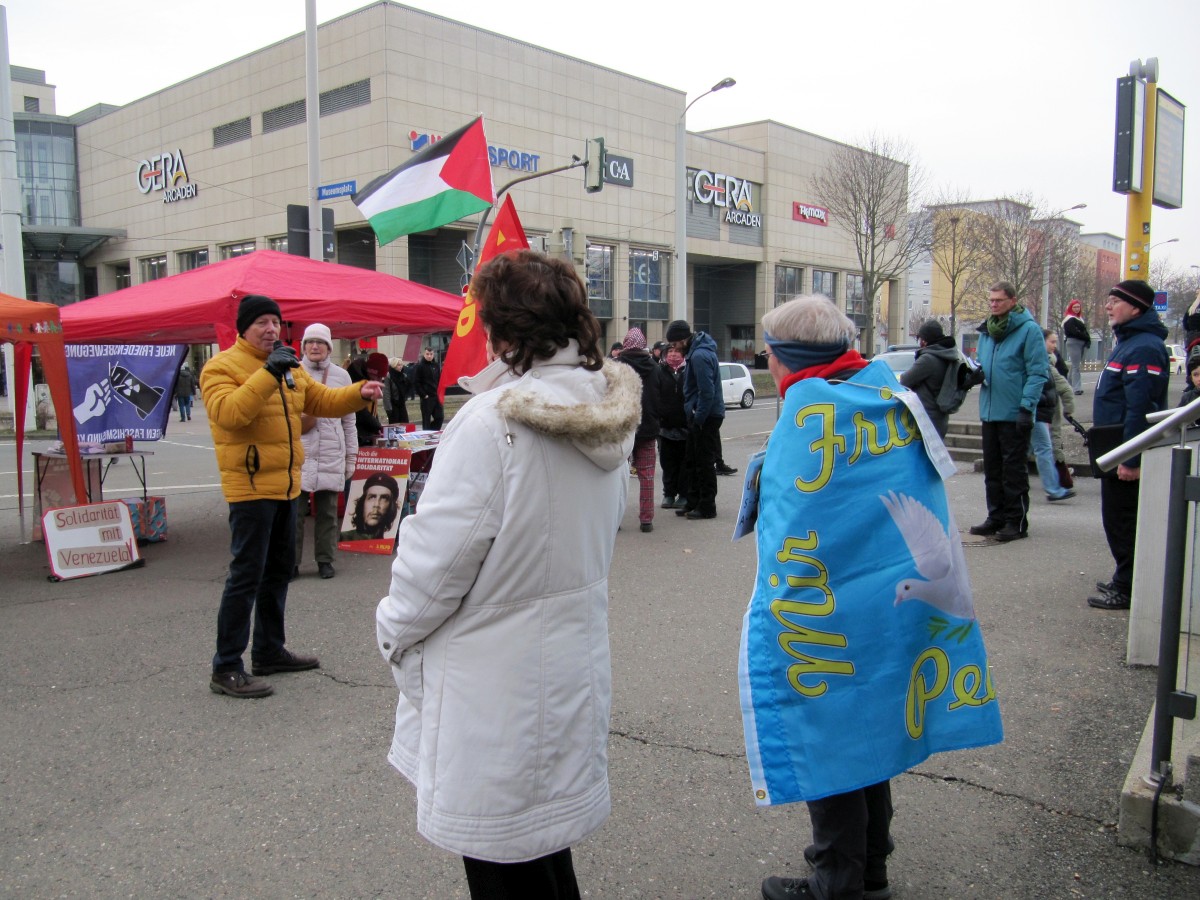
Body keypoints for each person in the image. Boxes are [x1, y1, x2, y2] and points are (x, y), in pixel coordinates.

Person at [375, 250, 640, 897]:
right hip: (568, 665)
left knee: (504, 864)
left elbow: (433, 567)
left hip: (493, 688)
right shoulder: (605, 415)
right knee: (543, 855)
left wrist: (391, 634)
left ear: (502, 332)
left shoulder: (493, 423)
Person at [747, 295, 1001, 900]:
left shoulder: (810, 415)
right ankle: (872, 867)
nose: (768, 363)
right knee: (871, 723)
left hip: (826, 612)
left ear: (788, 357)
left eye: (769, 353)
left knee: (830, 727)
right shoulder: (888, 395)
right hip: (888, 606)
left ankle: (837, 879)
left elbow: (794, 524)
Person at [201, 294, 382, 699]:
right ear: (244, 328)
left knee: (278, 571)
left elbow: (322, 400)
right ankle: (226, 666)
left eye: (275, 322)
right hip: (250, 488)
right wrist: (268, 373)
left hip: (287, 484)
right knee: (245, 576)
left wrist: (359, 392)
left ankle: (268, 651)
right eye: (262, 322)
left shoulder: (289, 368)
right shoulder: (221, 367)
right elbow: (230, 414)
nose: (271, 329)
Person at [1087, 280, 1170, 611]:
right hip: (1114, 444)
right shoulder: (1129, 342)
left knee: (1124, 520)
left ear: (1136, 308)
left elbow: (1141, 407)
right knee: (1116, 517)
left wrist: (1131, 458)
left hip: (1125, 448)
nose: (1108, 306)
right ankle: (1124, 576)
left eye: (1115, 301)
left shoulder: (1144, 347)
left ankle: (1128, 586)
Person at [968, 281, 1048, 543]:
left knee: (1013, 471)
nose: (993, 304)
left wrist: (1026, 407)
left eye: (998, 300)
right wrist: (973, 375)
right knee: (993, 470)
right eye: (991, 300)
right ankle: (996, 516)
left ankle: (1016, 521)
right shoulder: (987, 331)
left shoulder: (1029, 330)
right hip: (990, 411)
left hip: (1014, 412)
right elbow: (983, 365)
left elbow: (1038, 373)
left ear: (1013, 301)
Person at [294, 323, 356, 580]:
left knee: (328, 513)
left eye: (320, 342)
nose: (315, 346)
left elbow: (349, 421)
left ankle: (325, 560)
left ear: (329, 347)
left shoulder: (342, 376)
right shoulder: (292, 373)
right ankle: (291, 562)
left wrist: (351, 457)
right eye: (310, 342)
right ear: (303, 347)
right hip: (299, 453)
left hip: (332, 452)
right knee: (294, 514)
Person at [666, 318, 724, 520]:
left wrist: (698, 418)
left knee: (703, 463)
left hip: (706, 417)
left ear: (683, 339)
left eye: (674, 343)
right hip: (702, 414)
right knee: (691, 460)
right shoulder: (697, 351)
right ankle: (693, 501)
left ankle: (707, 506)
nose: (674, 348)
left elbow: (706, 391)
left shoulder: (699, 356)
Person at [615, 326, 661, 533]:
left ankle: (615, 519)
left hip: (622, 429)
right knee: (647, 476)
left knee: (618, 477)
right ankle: (646, 519)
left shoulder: (617, 367)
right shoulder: (655, 368)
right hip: (648, 428)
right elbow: (661, 398)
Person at [1031, 328, 1074, 502]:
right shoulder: (1043, 362)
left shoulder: (1045, 361)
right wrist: (1068, 409)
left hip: (1038, 411)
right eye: (1052, 341)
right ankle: (1053, 489)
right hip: (1037, 411)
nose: (1054, 345)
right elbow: (1065, 389)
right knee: (1044, 448)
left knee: (1038, 448)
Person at [899, 319, 959, 438]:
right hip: (939, 416)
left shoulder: (928, 359)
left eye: (920, 338)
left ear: (925, 340)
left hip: (927, 416)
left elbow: (905, 380)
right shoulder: (946, 354)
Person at [657, 345, 689, 510]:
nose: (673, 355)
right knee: (667, 463)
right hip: (665, 427)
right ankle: (668, 493)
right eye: (670, 351)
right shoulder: (660, 371)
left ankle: (684, 494)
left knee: (684, 463)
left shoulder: (688, 370)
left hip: (685, 425)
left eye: (677, 351)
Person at [339, 472, 400, 540]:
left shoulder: (389, 542)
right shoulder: (344, 538)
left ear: (391, 507)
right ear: (362, 503)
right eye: (372, 497)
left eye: (384, 498)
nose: (376, 505)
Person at [1061, 299, 1090, 395]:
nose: (1077, 309)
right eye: (1074, 307)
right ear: (1071, 308)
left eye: (1078, 307)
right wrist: (1085, 337)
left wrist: (1086, 339)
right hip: (1073, 342)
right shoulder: (1069, 319)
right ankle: (1077, 388)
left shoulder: (1079, 318)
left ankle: (1067, 385)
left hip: (1081, 342)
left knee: (1075, 365)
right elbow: (1073, 332)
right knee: (1076, 366)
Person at [413, 346, 444, 430]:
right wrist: (423, 395)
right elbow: (416, 382)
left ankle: (432, 431)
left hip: (436, 396)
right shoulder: (420, 366)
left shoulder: (436, 366)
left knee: (440, 417)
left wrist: (440, 392)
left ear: (433, 354)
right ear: (424, 354)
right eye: (427, 354)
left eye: (431, 354)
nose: (429, 356)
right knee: (426, 420)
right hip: (427, 397)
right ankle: (427, 433)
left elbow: (439, 380)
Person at [385, 357, 409, 424]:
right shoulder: (389, 376)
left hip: (401, 403)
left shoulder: (403, 376)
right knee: (395, 424)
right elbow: (386, 393)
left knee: (405, 423)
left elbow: (407, 388)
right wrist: (388, 408)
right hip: (393, 404)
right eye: (398, 365)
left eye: (401, 365)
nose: (400, 367)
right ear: (394, 365)